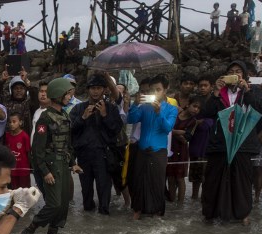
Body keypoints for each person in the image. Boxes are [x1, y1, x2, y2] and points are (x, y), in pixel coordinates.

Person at [200, 60, 262, 224]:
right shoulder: (219, 93)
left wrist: (247, 91)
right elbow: (205, 113)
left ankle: (242, 214)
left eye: (238, 71)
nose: (235, 73)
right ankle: (210, 213)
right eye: (231, 71)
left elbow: (258, 111)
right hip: (220, 143)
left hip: (242, 143)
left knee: (241, 179)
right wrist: (215, 92)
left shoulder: (252, 90)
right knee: (213, 179)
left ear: (244, 75)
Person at [20, 77, 82, 234]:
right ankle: (31, 228)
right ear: (58, 94)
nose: (69, 97)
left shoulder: (65, 116)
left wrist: (73, 163)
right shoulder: (45, 118)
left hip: (63, 165)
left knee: (63, 205)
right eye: (67, 94)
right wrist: (45, 171)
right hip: (50, 165)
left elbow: (67, 144)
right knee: (54, 204)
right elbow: (37, 149)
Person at [69, 73, 124, 215]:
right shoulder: (78, 108)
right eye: (92, 88)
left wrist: (105, 115)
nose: (95, 91)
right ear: (88, 89)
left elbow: (116, 130)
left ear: (105, 90)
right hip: (83, 156)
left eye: (98, 88)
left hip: (103, 155)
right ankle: (88, 227)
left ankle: (103, 226)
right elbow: (70, 130)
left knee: (104, 192)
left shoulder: (111, 108)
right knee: (86, 195)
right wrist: (83, 118)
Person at [126, 74, 178, 219]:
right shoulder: (144, 107)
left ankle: (157, 213)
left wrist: (159, 112)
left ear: (165, 90)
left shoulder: (171, 109)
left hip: (159, 151)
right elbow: (131, 119)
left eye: (158, 89)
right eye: (151, 90)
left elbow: (167, 128)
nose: (154, 93)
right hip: (142, 150)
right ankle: (137, 210)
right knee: (138, 181)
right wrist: (135, 104)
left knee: (157, 183)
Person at [168, 95, 201, 203]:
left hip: (181, 150)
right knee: (170, 177)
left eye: (198, 108)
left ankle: (180, 205)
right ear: (188, 105)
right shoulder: (176, 113)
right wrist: (178, 132)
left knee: (180, 177)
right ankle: (172, 202)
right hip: (170, 147)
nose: (196, 110)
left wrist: (172, 131)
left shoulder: (193, 121)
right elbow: (169, 128)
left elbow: (186, 139)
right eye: (194, 106)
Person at [3, 113, 31, 189]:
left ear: (20, 122)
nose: (11, 124)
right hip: (12, 170)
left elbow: (28, 153)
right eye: (10, 122)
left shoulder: (24, 136)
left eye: (14, 122)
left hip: (23, 170)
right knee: (14, 192)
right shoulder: (7, 136)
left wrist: (29, 168)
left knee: (25, 192)